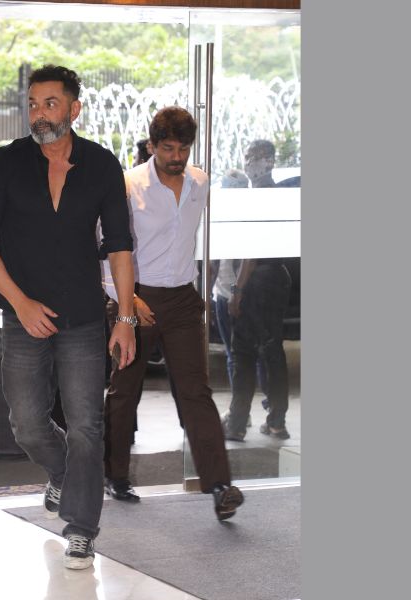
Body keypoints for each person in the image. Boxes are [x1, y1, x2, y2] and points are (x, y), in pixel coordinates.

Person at [0, 65, 136, 570]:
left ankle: (81, 529)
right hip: (23, 317)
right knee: (26, 424)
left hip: (83, 318)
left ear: (74, 109)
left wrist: (125, 318)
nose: (39, 114)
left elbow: (119, 246)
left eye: (50, 103)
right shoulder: (6, 163)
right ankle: (63, 474)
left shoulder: (101, 165)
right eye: (33, 104)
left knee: (86, 425)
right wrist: (20, 302)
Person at [101, 107, 244, 522]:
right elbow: (105, 248)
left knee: (196, 392)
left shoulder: (200, 182)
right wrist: (126, 300)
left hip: (182, 299)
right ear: (152, 146)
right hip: (136, 298)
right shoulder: (128, 185)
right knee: (124, 390)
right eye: (167, 148)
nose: (176, 157)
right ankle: (116, 475)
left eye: (183, 149)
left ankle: (219, 486)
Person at [223, 139, 294, 441]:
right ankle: (277, 421)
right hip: (277, 277)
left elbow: (251, 251)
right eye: (248, 156)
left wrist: (237, 291)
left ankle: (237, 422)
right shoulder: (280, 195)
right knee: (273, 351)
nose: (248, 162)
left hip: (258, 280)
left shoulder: (261, 197)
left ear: (268, 161)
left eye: (253, 156)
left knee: (243, 352)